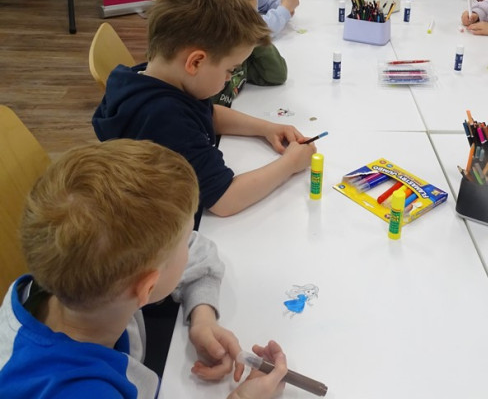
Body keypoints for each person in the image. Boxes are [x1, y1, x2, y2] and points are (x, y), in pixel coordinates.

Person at [0, 139, 288, 399]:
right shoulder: (78, 390)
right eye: (181, 243)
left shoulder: (74, 275)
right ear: (147, 288)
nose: (189, 245)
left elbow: (196, 250)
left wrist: (202, 317)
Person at [92, 0, 316, 228]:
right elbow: (225, 199)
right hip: (165, 228)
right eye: (230, 70)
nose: (229, 79)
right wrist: (290, 164)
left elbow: (209, 114)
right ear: (196, 62)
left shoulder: (154, 77)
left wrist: (267, 128)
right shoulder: (165, 118)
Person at [195, 0, 288, 108]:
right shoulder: (208, 68)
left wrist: (255, 33)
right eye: (245, 19)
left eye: (253, 16)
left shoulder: (241, 51)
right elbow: (211, 113)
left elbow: (277, 75)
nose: (252, 23)